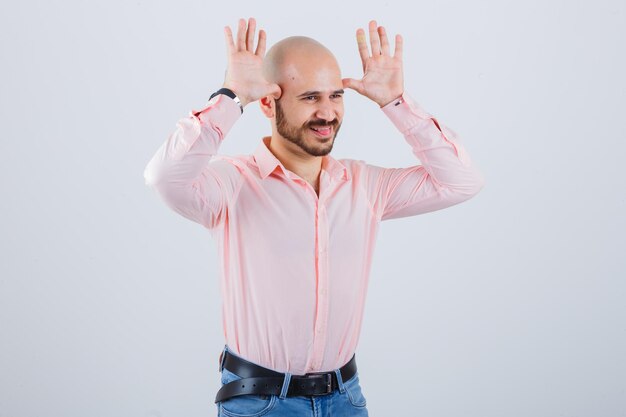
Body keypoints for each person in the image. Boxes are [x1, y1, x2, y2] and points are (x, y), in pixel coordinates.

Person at [144, 16, 484, 417]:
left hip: (346, 399)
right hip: (260, 403)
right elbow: (163, 176)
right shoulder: (230, 184)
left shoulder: (365, 186)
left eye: (336, 96)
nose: (328, 113)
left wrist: (396, 104)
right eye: (310, 98)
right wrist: (231, 97)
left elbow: (461, 182)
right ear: (268, 103)